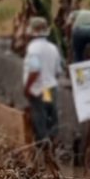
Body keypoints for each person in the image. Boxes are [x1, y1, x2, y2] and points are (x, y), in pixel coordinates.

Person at [20, 16, 64, 146]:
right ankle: (52, 145)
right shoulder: (53, 48)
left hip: (38, 89)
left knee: (40, 118)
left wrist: (27, 88)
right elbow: (57, 71)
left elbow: (34, 71)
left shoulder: (33, 49)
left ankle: (42, 148)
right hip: (48, 89)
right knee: (50, 116)